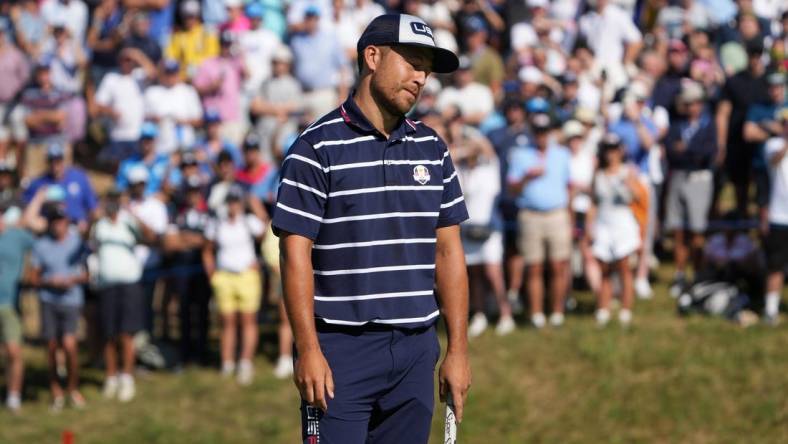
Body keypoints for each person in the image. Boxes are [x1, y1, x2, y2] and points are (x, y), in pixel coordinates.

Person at [272, 14, 470, 443]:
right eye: (413, 62)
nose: (421, 78)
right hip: (340, 350)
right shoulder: (315, 147)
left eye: (426, 69)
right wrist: (307, 348)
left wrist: (457, 350)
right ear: (373, 57)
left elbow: (449, 253)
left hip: (417, 349)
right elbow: (294, 254)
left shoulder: (432, 147)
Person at [507, 113, 572, 329]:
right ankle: (536, 314)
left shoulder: (562, 154)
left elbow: (568, 186)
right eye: (538, 132)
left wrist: (570, 215)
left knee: (558, 265)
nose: (541, 137)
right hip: (531, 215)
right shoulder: (521, 155)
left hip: (557, 213)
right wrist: (527, 177)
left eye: (544, 132)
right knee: (533, 266)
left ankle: (557, 312)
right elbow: (512, 188)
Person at [90, 190, 150, 403]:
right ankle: (111, 377)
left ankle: (127, 378)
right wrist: (95, 214)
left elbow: (149, 236)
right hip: (107, 286)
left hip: (129, 284)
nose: (112, 204)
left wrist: (131, 213)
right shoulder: (99, 225)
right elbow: (88, 242)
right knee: (109, 334)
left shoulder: (128, 222)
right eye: (110, 200)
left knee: (126, 334)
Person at [202, 185, 265, 385]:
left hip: (246, 276)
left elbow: (268, 233)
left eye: (237, 201)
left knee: (247, 320)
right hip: (225, 277)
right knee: (227, 322)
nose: (233, 205)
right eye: (231, 201)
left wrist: (254, 204)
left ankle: (245, 362)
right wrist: (212, 274)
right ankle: (227, 362)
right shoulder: (217, 224)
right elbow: (207, 250)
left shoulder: (248, 222)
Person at [29, 204, 88, 410]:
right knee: (52, 347)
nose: (58, 226)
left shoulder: (77, 243)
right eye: (55, 222)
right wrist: (49, 281)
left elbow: (87, 274)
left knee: (70, 345)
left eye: (62, 221)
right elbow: (33, 277)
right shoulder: (41, 245)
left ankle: (72, 388)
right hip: (48, 300)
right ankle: (56, 390)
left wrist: (72, 280)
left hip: (71, 300)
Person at [664, 81, 718, 297]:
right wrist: (688, 152)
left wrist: (686, 149)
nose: (692, 107)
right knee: (678, 229)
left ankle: (697, 274)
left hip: (699, 178)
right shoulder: (677, 125)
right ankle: (679, 275)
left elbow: (707, 152)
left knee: (697, 230)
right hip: (679, 176)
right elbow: (671, 150)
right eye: (689, 103)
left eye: (696, 103)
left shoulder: (708, 125)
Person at [586, 133, 642, 326]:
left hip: (622, 223)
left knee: (625, 268)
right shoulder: (598, 174)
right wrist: (589, 226)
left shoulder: (628, 171)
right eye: (607, 150)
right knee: (605, 269)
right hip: (603, 223)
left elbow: (638, 198)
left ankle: (626, 309)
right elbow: (593, 202)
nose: (611, 154)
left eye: (614, 150)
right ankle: (604, 308)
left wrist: (630, 186)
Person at [0, 203, 36, 412]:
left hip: (9, 305)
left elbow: (39, 246)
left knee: (13, 351)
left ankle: (14, 396)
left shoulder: (17, 235)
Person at [23, 143, 98, 232]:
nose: (55, 165)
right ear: (47, 162)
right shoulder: (38, 183)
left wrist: (88, 224)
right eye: (51, 161)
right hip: (50, 230)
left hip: (77, 227)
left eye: (58, 160)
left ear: (63, 159)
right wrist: (39, 198)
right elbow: (27, 217)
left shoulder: (79, 177)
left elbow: (93, 208)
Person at [762, 107, 788, 325]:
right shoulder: (773, 145)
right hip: (780, 216)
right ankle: (770, 309)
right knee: (776, 265)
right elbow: (774, 161)